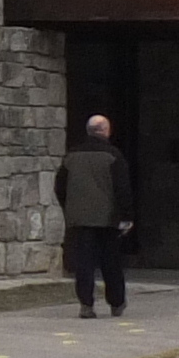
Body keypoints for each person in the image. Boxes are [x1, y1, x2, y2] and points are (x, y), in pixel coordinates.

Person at [57, 114, 136, 317]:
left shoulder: (71, 156)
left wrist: (70, 208)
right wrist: (126, 216)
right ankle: (116, 303)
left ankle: (86, 305)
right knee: (111, 263)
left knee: (84, 264)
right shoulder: (113, 156)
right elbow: (122, 188)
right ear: (105, 131)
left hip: (79, 219)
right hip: (108, 219)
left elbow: (60, 187)